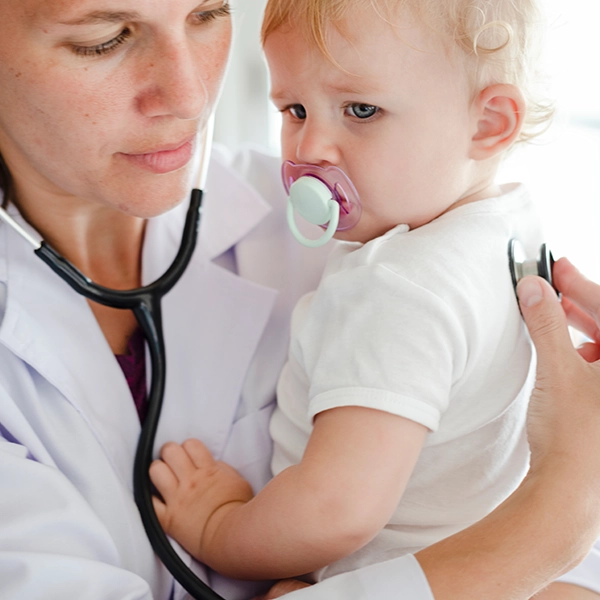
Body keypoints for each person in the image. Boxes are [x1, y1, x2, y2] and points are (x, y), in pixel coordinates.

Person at [0, 1, 598, 599]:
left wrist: (219, 527)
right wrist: (555, 519)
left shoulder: (391, 247)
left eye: (207, 14)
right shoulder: (438, 222)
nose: (189, 97)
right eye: (103, 39)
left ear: (492, 122)